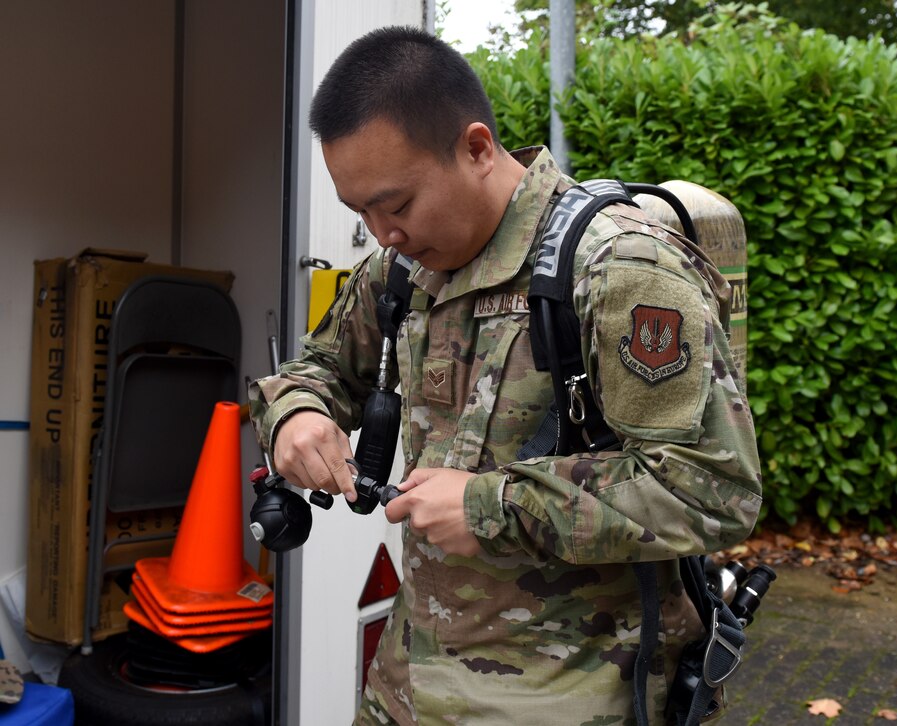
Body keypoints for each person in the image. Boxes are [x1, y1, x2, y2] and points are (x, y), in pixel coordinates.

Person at [249, 25, 762, 725]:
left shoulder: (617, 270)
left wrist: (490, 506)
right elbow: (317, 368)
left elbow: (713, 489)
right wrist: (297, 415)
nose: (381, 233)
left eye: (396, 205)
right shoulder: (402, 271)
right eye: (359, 212)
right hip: (405, 691)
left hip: (569, 701)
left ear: (478, 148)